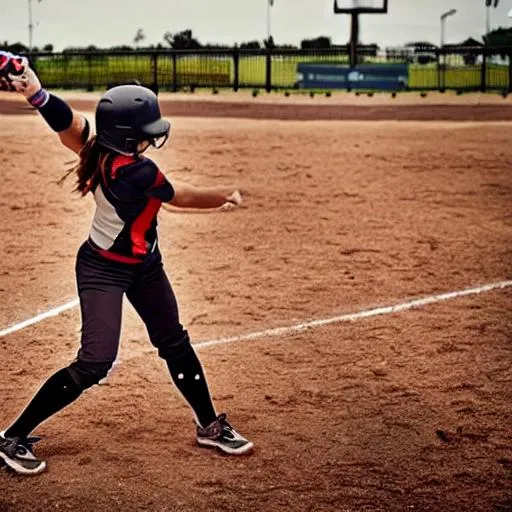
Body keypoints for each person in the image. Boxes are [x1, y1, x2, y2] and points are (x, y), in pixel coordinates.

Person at [0, 52, 253, 476]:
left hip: (144, 266)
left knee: (174, 341)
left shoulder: (98, 147)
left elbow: (68, 123)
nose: (151, 139)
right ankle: (11, 436)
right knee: (96, 360)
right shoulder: (137, 173)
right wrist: (225, 194)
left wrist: (36, 92)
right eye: (145, 133)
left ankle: (209, 424)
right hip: (103, 268)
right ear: (128, 137)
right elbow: (183, 196)